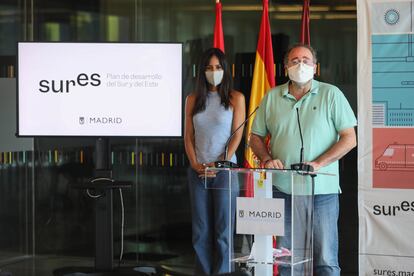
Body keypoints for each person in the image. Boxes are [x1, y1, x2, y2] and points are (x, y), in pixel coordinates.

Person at [249, 43, 357, 275]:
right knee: (288, 259)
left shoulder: (331, 94)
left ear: (315, 67)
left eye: (306, 60)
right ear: (286, 66)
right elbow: (255, 137)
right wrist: (267, 159)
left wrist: (319, 163)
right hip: (283, 189)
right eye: (295, 60)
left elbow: (350, 138)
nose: (300, 65)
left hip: (322, 190)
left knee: (326, 260)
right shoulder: (271, 96)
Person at [184, 48, 245, 275]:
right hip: (198, 171)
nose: (213, 71)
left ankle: (222, 272)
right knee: (201, 230)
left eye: (218, 67)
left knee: (223, 230)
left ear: (225, 69)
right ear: (202, 71)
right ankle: (203, 271)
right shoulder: (193, 99)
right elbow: (188, 136)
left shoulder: (235, 98)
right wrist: (195, 163)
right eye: (209, 67)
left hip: (224, 171)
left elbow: (237, 134)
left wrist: (220, 163)